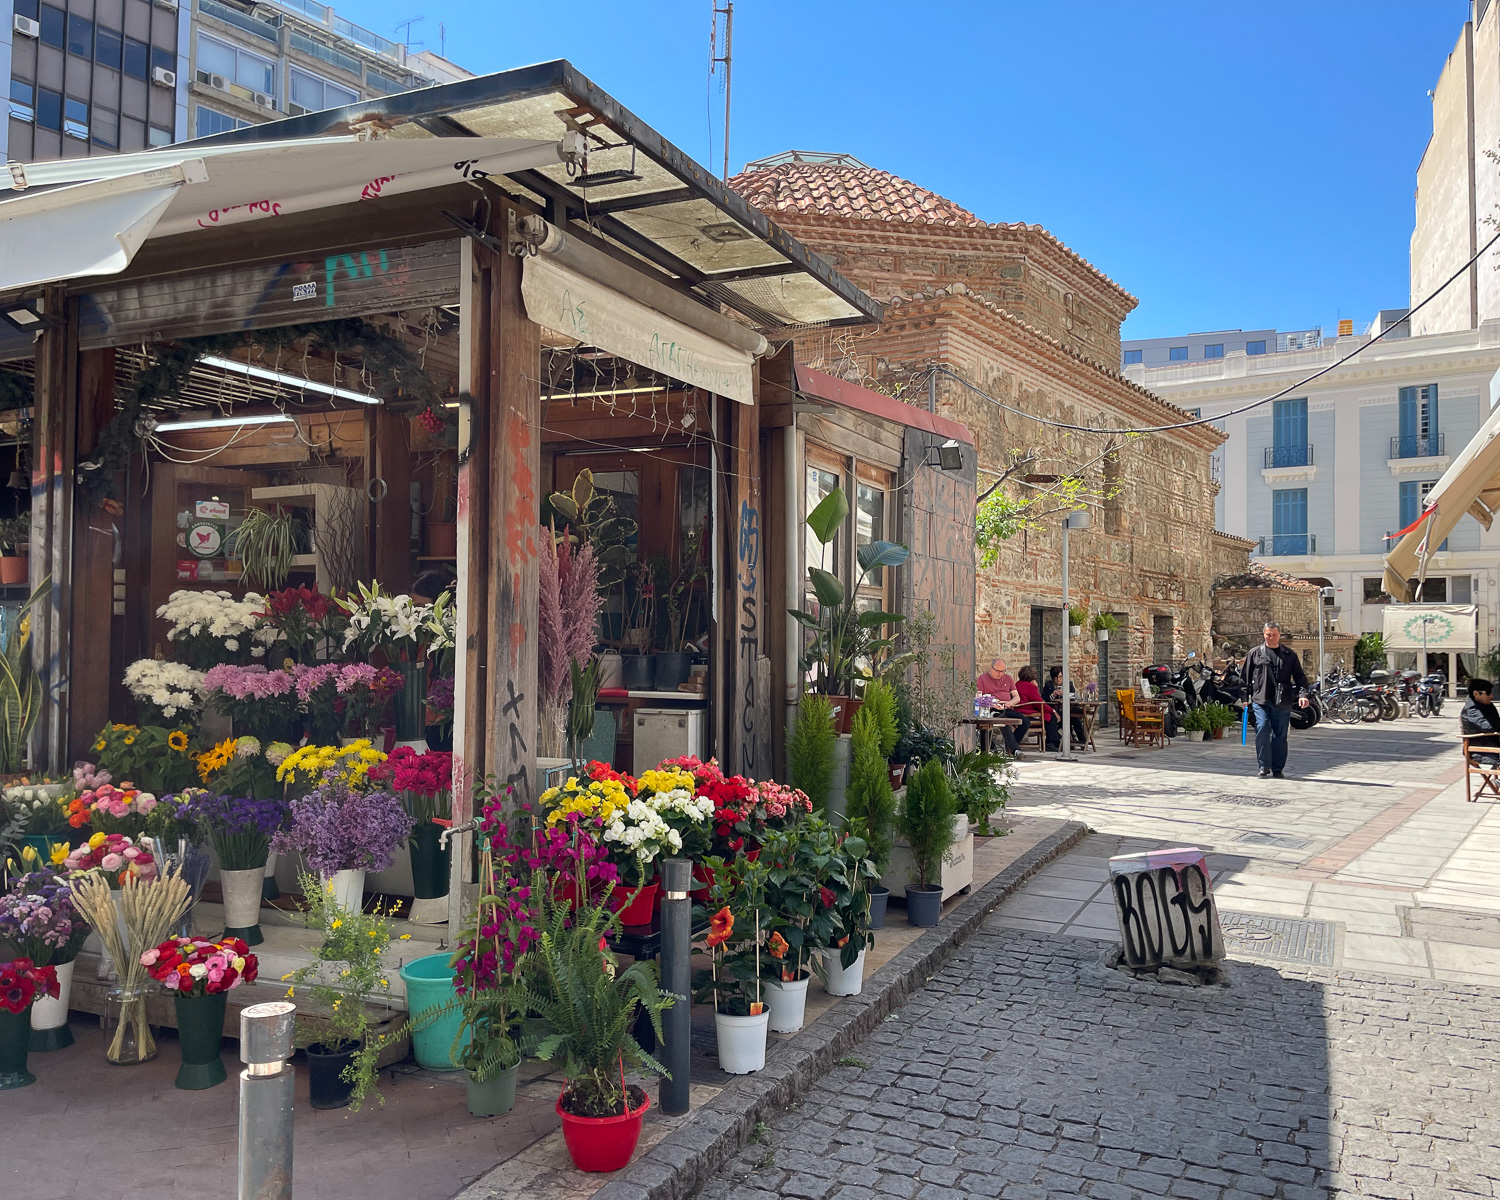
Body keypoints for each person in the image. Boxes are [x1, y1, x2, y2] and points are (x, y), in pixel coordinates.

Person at [1239, 622, 1310, 779]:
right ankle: (1264, 766)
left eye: (1274, 634)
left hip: (1282, 700)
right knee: (1262, 728)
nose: (1271, 637)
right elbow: (1245, 677)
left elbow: (1300, 677)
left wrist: (1303, 695)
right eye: (1268, 634)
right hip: (1260, 699)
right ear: (1263, 635)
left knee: (1280, 735)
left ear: (1279, 635)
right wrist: (1244, 697)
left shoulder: (1289, 655)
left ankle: (1278, 768)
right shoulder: (1254, 653)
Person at [975, 656, 1030, 754]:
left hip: (1006, 707)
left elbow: (1017, 697)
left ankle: (1012, 745)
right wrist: (992, 703)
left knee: (1025, 722)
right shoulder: (982, 679)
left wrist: (1010, 703)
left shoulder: (1008, 678)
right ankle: (1015, 750)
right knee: (1004, 722)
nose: (1000, 674)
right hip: (991, 709)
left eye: (1002, 671)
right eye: (997, 671)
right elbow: (979, 698)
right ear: (991, 668)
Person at [1015, 665, 1061, 752]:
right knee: (1051, 717)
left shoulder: (1017, 684)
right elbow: (1039, 703)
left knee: (1049, 716)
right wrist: (1053, 710)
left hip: (1019, 711)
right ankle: (1050, 743)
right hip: (1029, 713)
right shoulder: (1031, 687)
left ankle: (1055, 739)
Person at [1042, 666, 1088, 748]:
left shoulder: (1068, 684)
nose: (1059, 679)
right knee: (1057, 719)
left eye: (1060, 676)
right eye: (1057, 677)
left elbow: (1074, 696)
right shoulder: (1048, 685)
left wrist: (1065, 693)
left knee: (1075, 717)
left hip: (1069, 709)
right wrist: (1053, 695)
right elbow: (1044, 699)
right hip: (1056, 711)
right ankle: (1058, 741)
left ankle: (1082, 741)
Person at [1460, 678, 1500, 766]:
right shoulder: (1472, 709)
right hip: (1481, 751)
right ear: (1476, 693)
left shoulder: (1487, 705)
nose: (1492, 696)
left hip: (1493, 745)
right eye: (1488, 692)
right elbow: (1489, 727)